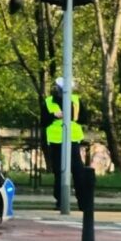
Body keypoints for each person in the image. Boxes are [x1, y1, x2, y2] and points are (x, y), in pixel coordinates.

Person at [43, 76, 86, 209]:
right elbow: (43, 121)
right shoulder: (49, 102)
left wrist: (69, 113)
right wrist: (53, 116)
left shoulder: (76, 101)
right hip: (57, 142)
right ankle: (61, 202)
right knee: (59, 172)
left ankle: (82, 203)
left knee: (78, 172)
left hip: (72, 141)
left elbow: (84, 118)